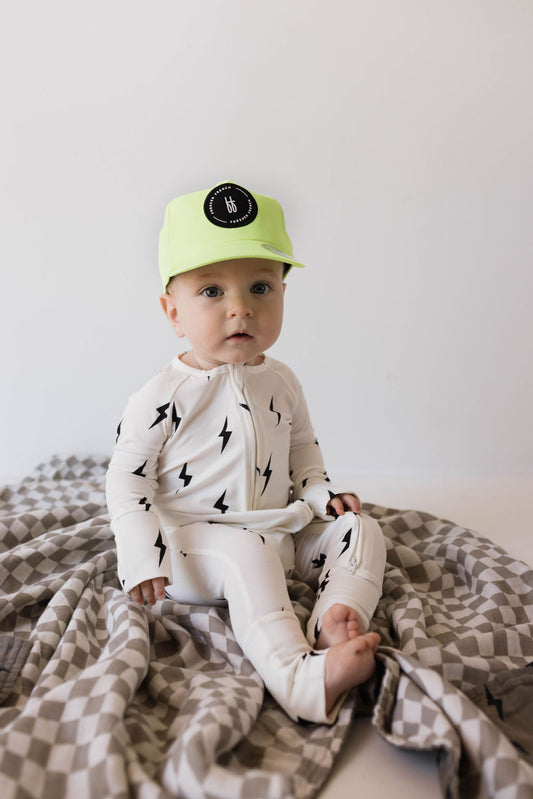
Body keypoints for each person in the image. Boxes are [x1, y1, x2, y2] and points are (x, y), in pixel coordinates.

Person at [106, 181, 387, 724]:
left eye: (261, 288)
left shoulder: (280, 381)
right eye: (212, 292)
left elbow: (304, 453)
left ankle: (337, 617)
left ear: (284, 293)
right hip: (193, 548)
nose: (241, 309)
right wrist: (142, 555)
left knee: (361, 529)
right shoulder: (161, 396)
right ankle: (300, 678)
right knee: (246, 552)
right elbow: (127, 479)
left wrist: (321, 495)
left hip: (278, 529)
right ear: (173, 312)